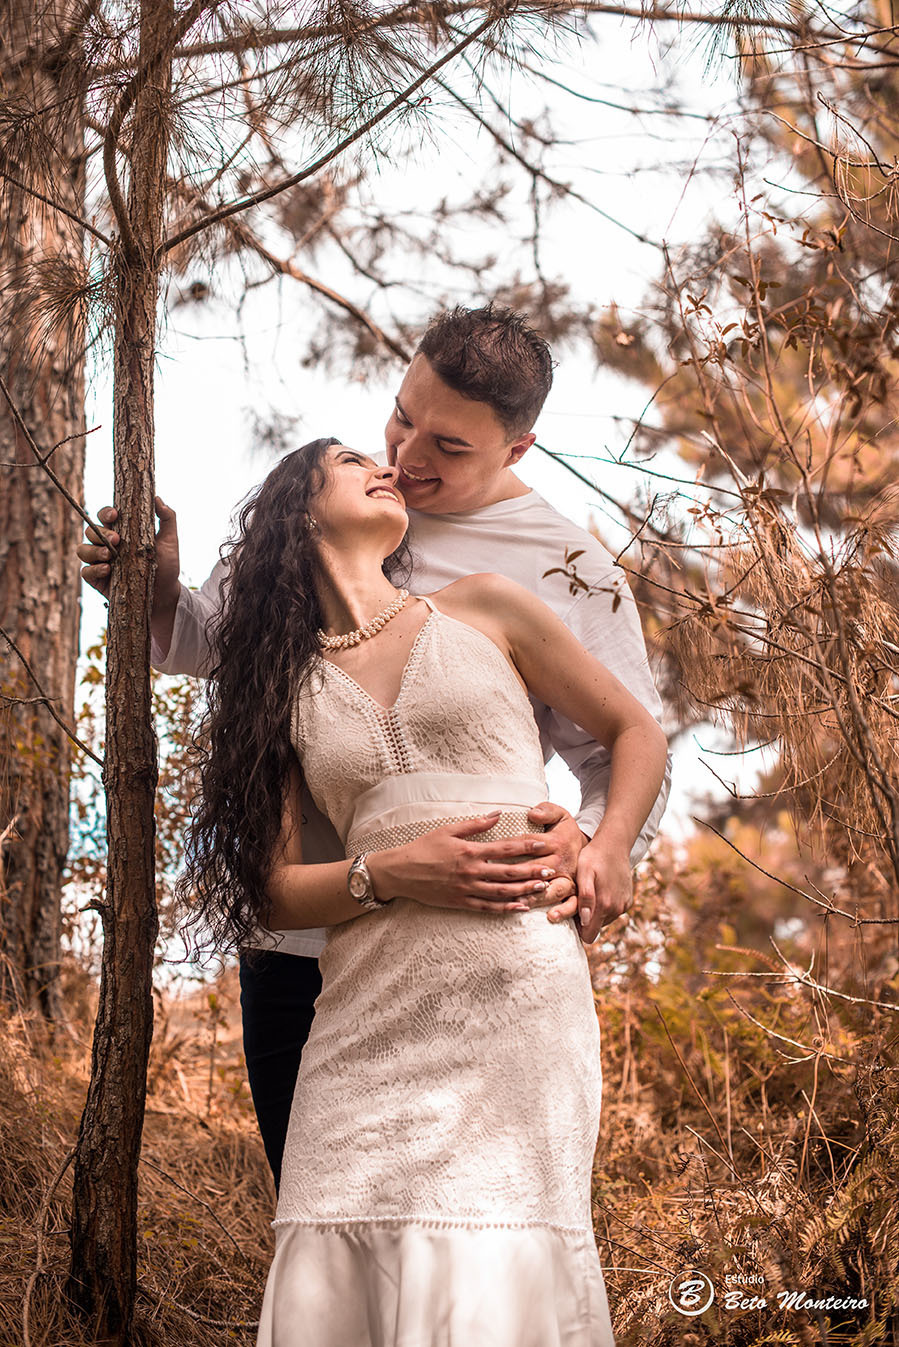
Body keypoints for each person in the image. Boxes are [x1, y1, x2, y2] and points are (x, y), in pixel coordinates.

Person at [77, 305, 672, 1191]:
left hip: (467, 945)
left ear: (516, 449)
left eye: (449, 447)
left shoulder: (563, 565)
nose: (406, 456)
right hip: (303, 942)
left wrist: (598, 841)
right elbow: (220, 647)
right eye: (402, 416)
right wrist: (159, 593)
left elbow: (621, 744)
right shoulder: (331, 507)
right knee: (323, 1212)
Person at [178, 436, 669, 1345]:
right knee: (335, 1247)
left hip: (513, 992)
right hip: (364, 1015)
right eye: (350, 458)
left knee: (498, 1256)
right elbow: (272, 892)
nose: (385, 463)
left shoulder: (485, 606)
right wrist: (385, 872)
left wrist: (609, 844)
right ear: (298, 507)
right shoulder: (279, 686)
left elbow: (632, 727)